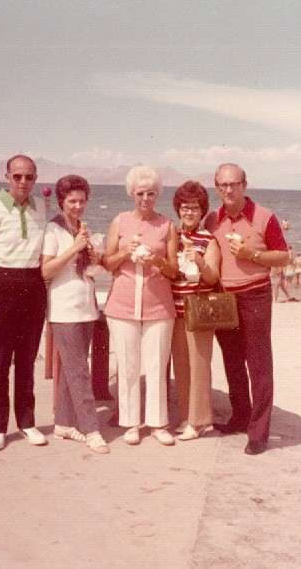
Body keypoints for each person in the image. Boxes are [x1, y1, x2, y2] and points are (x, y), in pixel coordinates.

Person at [205, 163, 289, 455]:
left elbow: (283, 257)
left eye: (234, 184)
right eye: (223, 185)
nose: (228, 190)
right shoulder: (212, 219)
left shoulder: (264, 217)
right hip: (224, 296)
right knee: (232, 361)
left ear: (244, 185)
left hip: (255, 295)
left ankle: (259, 433)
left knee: (259, 365)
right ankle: (240, 416)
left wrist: (251, 254)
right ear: (217, 187)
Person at [0, 155, 48, 451]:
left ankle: (27, 423)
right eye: (17, 176)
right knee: (1, 361)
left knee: (27, 360)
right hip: (1, 284)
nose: (23, 182)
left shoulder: (41, 207)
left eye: (29, 176)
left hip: (33, 285)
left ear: (35, 178)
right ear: (7, 177)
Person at [102, 165, 178, 446]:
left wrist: (156, 260)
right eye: (140, 193)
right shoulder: (119, 222)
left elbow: (174, 271)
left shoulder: (167, 225)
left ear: (158, 195)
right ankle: (131, 423)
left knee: (157, 365)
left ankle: (158, 423)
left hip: (158, 306)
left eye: (151, 193)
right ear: (132, 194)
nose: (146, 198)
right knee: (128, 366)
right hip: (122, 306)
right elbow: (108, 263)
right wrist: (126, 252)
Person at [41, 175, 109, 454]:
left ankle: (64, 423)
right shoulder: (53, 230)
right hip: (64, 309)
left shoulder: (82, 228)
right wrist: (75, 248)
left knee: (74, 369)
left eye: (82, 201)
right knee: (80, 371)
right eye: (72, 201)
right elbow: (46, 270)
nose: (78, 206)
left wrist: (93, 258)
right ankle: (91, 429)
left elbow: (89, 271)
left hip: (86, 307)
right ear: (61, 202)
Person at [170, 181, 220, 440]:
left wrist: (198, 260)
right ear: (178, 209)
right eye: (185, 207)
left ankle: (199, 421)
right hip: (174, 309)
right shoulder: (172, 235)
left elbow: (212, 277)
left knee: (199, 366)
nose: (189, 212)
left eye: (194, 208)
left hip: (198, 310)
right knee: (181, 366)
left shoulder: (208, 240)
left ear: (202, 211)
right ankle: (187, 416)